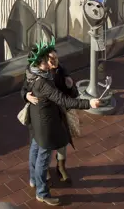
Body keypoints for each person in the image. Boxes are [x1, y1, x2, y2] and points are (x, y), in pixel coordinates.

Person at [22, 38, 101, 206]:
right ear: (39, 62)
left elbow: (67, 91)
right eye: (45, 60)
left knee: (35, 151)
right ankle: (42, 193)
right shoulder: (43, 83)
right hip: (46, 125)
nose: (48, 63)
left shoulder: (32, 72)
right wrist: (89, 103)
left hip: (37, 121)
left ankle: (34, 180)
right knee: (43, 160)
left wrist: (71, 86)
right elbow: (63, 100)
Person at [24, 50, 78, 183]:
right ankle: (41, 174)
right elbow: (24, 89)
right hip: (41, 116)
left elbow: (71, 94)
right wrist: (26, 96)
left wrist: (70, 86)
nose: (54, 62)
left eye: (56, 58)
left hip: (58, 112)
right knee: (40, 147)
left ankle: (60, 167)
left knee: (61, 142)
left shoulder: (61, 71)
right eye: (50, 59)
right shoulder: (35, 74)